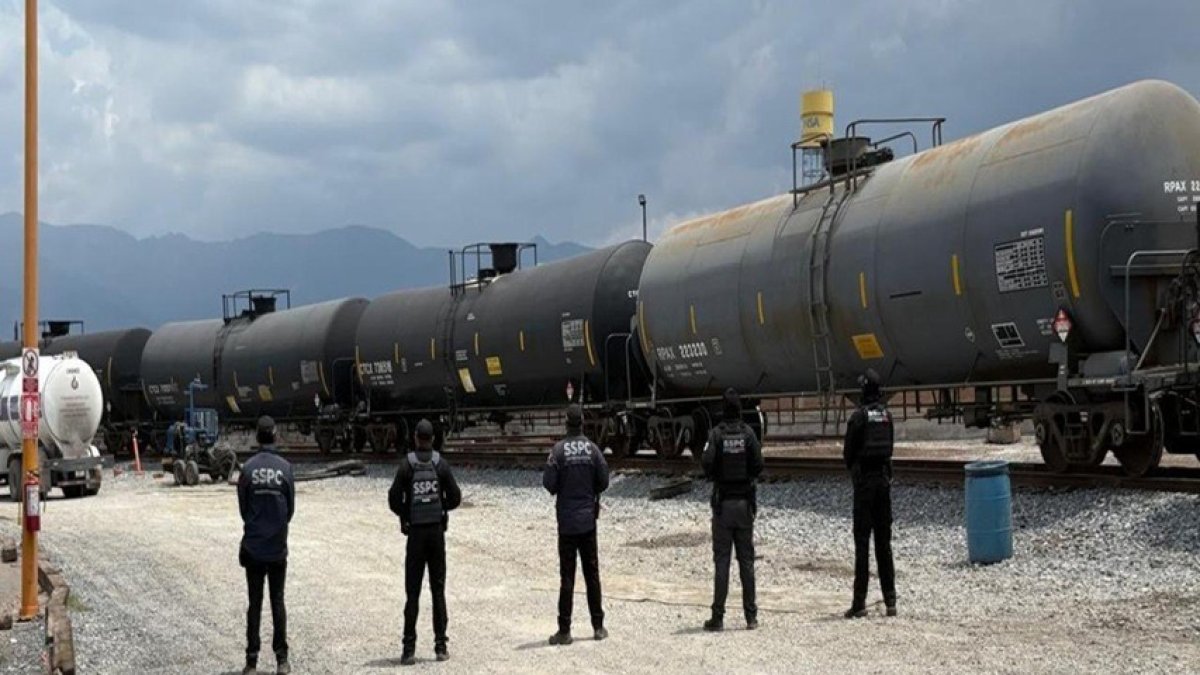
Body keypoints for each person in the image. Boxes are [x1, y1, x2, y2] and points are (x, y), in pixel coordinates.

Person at [388, 419, 462, 665]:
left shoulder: (406, 466)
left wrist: (406, 514)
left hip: (416, 536)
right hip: (436, 535)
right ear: (432, 439)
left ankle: (408, 650)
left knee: (412, 593)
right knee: (438, 590)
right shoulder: (441, 465)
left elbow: (393, 499)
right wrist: (441, 509)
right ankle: (440, 647)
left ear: (416, 438)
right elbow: (456, 497)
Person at [543, 404, 610, 645]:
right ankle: (598, 626)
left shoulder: (558, 451)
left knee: (567, 577)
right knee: (592, 573)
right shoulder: (593, 449)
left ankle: (564, 630)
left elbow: (549, 484)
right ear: (582, 422)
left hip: (567, 524)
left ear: (566, 423)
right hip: (588, 523)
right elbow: (604, 481)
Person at [701, 388, 764, 631]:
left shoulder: (716, 435)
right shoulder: (748, 434)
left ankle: (718, 617)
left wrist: (718, 474)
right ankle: (751, 617)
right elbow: (758, 464)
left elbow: (706, 463)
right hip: (744, 505)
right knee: (746, 561)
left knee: (722, 562)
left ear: (722, 408)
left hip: (723, 506)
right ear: (739, 409)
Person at [238, 415, 295, 675]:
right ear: (274, 434)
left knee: (255, 603)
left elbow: (243, 509)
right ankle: (282, 660)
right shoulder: (285, 468)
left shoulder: (247, 469)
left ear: (257, 436)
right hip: (276, 548)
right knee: (278, 602)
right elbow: (290, 509)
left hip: (253, 548)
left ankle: (251, 661)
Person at [842, 368, 897, 618]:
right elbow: (890, 449)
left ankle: (859, 603)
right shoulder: (887, 417)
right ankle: (891, 601)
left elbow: (848, 454)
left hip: (864, 486)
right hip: (884, 485)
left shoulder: (859, 417)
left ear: (864, 390)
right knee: (884, 545)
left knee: (862, 544)